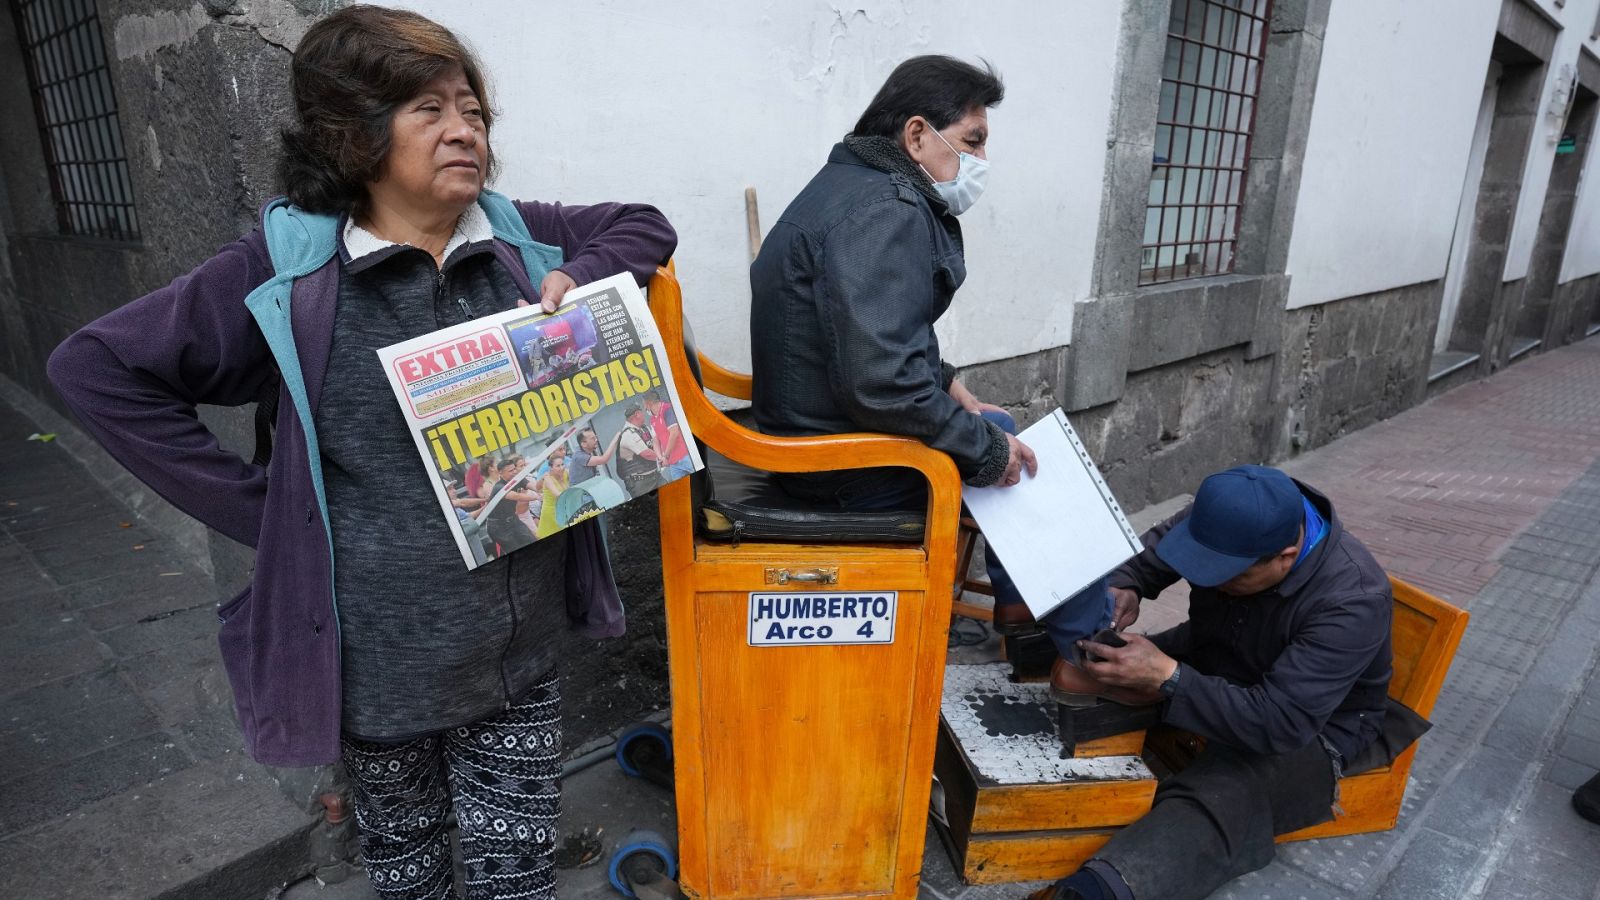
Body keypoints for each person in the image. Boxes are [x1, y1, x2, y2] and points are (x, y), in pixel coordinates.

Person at [44, 7, 676, 899]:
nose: (465, 131)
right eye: (429, 110)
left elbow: (642, 221)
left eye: (474, 110)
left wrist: (587, 271)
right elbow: (94, 367)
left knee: (516, 874)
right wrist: (262, 509)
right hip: (373, 672)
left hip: (517, 655)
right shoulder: (288, 274)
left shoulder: (512, 238)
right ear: (353, 133)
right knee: (408, 870)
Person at [748, 55, 1112, 652]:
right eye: (972, 142)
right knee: (1024, 464)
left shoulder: (849, 186)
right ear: (917, 135)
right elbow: (882, 382)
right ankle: (1088, 654)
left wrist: (945, 383)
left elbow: (854, 332)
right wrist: (986, 451)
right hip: (837, 468)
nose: (981, 163)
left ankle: (1027, 616)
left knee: (996, 428)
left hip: (813, 434)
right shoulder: (884, 210)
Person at [1029, 466, 1398, 900]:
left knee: (1224, 792)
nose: (1212, 583)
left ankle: (1099, 890)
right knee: (1091, 660)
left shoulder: (1353, 598)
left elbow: (1279, 722)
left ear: (1286, 553)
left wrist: (1167, 677)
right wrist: (1125, 587)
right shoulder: (1227, 515)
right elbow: (1147, 559)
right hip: (1215, 654)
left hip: (1309, 726)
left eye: (1229, 576)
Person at [642, 390, 694, 483]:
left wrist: (665, 456)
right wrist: (660, 457)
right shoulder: (652, 419)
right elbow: (655, 440)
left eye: (644, 405)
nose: (644, 408)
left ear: (649, 404)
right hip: (673, 463)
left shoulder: (667, 409)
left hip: (685, 456)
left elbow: (674, 433)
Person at [615, 403, 662, 497]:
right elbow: (647, 454)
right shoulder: (628, 434)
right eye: (642, 412)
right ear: (637, 414)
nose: (644, 414)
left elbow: (655, 444)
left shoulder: (643, 428)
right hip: (640, 483)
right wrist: (665, 457)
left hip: (655, 476)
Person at [533, 445, 571, 538]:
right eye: (558, 466)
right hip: (552, 513)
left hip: (564, 509)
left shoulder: (566, 472)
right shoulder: (548, 479)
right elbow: (558, 495)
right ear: (551, 467)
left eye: (562, 464)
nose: (561, 467)